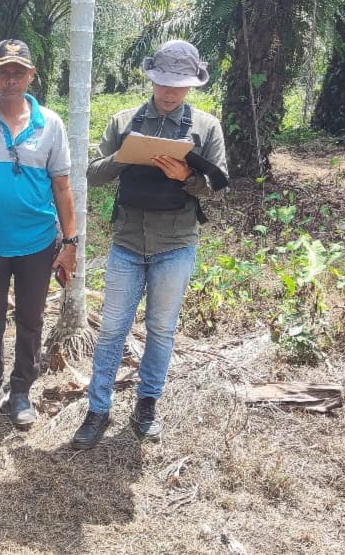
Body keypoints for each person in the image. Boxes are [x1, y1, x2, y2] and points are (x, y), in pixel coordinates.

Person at [70, 40, 228, 450]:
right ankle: (98, 409)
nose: (170, 92)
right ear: (151, 78)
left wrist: (186, 177)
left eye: (179, 85)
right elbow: (93, 173)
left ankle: (147, 405)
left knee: (161, 329)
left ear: (192, 85)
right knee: (111, 330)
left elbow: (218, 187)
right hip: (126, 241)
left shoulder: (206, 127)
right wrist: (127, 154)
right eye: (163, 82)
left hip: (176, 242)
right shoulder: (124, 120)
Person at [0, 39, 78, 430]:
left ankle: (21, 389)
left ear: (31, 76)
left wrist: (71, 244)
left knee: (31, 319)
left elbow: (62, 187)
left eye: (19, 71)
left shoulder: (51, 124)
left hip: (38, 244)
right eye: (4, 71)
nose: (11, 79)